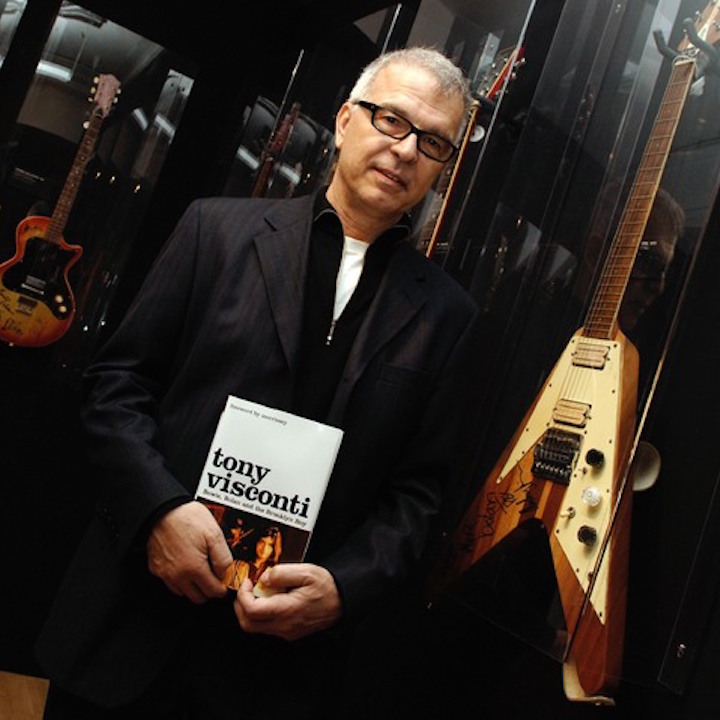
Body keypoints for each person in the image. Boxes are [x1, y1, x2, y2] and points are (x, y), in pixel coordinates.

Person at [36, 46, 481, 719]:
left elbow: (419, 497)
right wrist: (159, 510)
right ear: (345, 121)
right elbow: (117, 385)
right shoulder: (214, 230)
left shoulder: (448, 316)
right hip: (130, 623)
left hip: (276, 673)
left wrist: (344, 588)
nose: (405, 150)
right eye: (391, 120)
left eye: (433, 142)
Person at [223, 525, 283, 591]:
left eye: (270, 545)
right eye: (262, 542)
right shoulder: (236, 565)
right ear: (256, 542)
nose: (264, 548)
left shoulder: (272, 573)